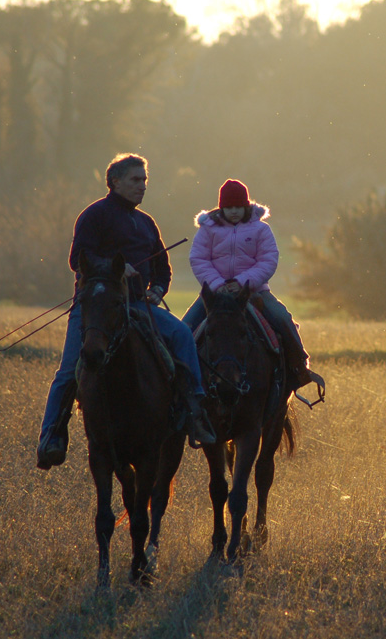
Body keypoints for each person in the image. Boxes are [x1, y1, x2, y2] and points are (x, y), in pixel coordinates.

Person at [36, 153, 216, 470]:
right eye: (135, 180)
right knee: (69, 371)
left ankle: (194, 414)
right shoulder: (94, 216)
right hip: (97, 307)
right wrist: (116, 269)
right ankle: (52, 437)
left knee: (183, 335)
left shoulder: (147, 223)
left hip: (138, 305)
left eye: (144, 180)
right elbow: (78, 258)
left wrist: (157, 290)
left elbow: (163, 270)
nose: (142, 186)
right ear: (115, 181)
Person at [181, 178, 326, 396]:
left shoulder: (260, 229)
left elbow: (268, 259)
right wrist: (218, 285)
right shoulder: (207, 230)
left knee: (282, 318)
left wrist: (242, 283)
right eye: (229, 207)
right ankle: (178, 377)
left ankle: (299, 367)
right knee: (185, 328)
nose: (234, 212)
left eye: (238, 207)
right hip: (215, 296)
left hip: (254, 293)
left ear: (246, 206)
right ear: (221, 207)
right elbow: (199, 259)